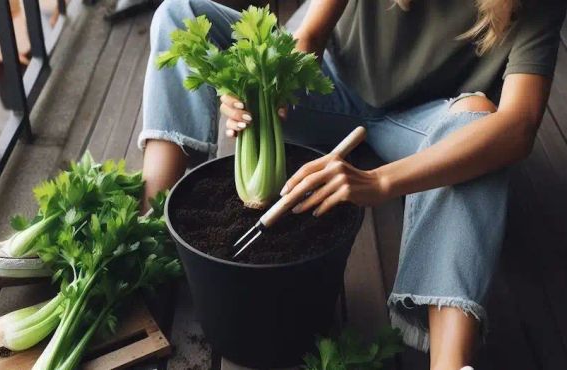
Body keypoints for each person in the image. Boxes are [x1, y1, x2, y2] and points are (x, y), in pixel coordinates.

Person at [139, 0, 566, 369]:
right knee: (181, 12)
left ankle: (451, 361)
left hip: (421, 122)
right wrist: (261, 93)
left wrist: (379, 183)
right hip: (327, 87)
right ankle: (149, 225)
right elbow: (308, 37)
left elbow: (517, 126)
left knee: (479, 133)